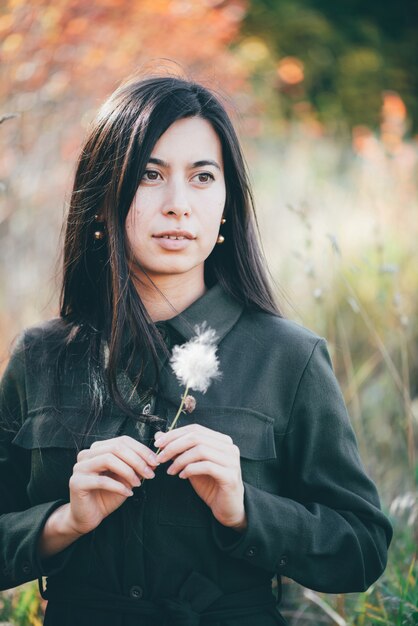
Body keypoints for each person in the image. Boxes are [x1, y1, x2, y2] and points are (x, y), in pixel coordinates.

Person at [0, 74, 392, 626]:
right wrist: (64, 521)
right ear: (101, 196)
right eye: (150, 175)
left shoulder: (289, 356)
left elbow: (362, 548)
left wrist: (245, 511)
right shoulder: (41, 355)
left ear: (227, 203)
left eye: (202, 177)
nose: (178, 204)